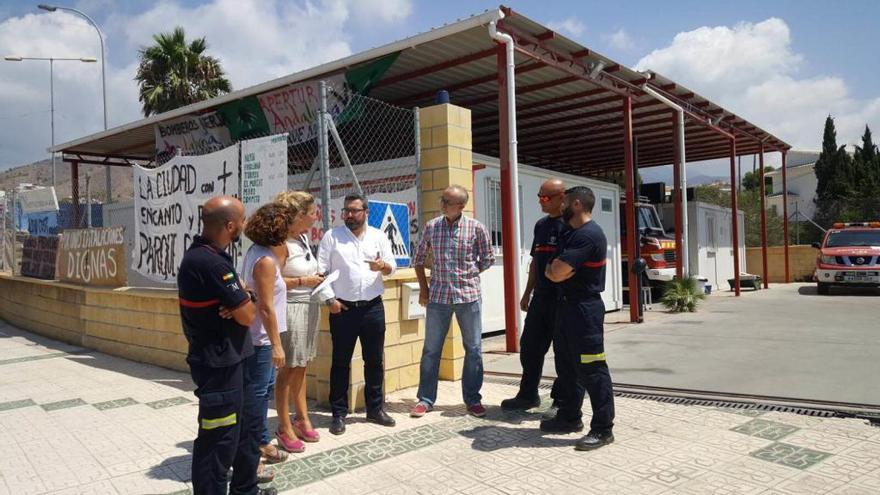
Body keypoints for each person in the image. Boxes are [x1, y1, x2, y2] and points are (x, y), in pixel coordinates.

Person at [177, 195, 277, 495]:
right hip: (218, 366)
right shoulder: (207, 262)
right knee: (218, 441)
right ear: (230, 225)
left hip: (236, 359)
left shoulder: (214, 256)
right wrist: (244, 301)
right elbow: (247, 315)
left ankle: (246, 489)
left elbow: (244, 302)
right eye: (243, 221)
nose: (245, 226)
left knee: (244, 432)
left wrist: (243, 298)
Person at [541, 186, 615, 451]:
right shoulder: (569, 233)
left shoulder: (588, 236)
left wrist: (555, 270)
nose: (559, 206)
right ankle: (570, 418)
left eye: (564, 202)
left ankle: (603, 429)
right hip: (566, 307)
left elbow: (557, 270)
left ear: (576, 205)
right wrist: (555, 270)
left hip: (585, 310)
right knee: (567, 366)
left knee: (593, 369)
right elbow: (553, 269)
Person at [410, 185, 495, 418]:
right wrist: (424, 290)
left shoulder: (476, 228)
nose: (442, 204)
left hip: (468, 297)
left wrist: (467, 273)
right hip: (438, 298)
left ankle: (473, 399)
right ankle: (425, 399)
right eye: (442, 200)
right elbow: (417, 259)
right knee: (431, 349)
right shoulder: (432, 227)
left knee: (474, 349)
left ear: (461, 206)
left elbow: (487, 260)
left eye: (447, 201)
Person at [316, 194, 397, 435]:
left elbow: (392, 267)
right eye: (346, 211)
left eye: (354, 211)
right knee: (340, 362)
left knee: (374, 360)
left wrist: (382, 266)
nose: (349, 215)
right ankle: (338, 414)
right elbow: (321, 272)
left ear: (366, 212)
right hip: (343, 309)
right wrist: (330, 300)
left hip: (373, 307)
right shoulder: (332, 237)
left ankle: (375, 409)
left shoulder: (379, 236)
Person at [241, 203, 301, 461]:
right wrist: (276, 345)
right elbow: (266, 306)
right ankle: (256, 444)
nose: (291, 228)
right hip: (261, 338)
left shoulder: (258, 252)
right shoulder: (265, 260)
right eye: (287, 223)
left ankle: (259, 440)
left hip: (259, 336)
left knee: (261, 390)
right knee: (258, 393)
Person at [501, 179, 566, 417]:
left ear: (562, 197)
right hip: (541, 298)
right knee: (530, 347)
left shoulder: (569, 226)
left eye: (545, 197)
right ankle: (528, 394)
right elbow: (535, 264)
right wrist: (527, 292)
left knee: (563, 352)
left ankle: (562, 400)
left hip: (562, 300)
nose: (540, 201)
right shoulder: (541, 225)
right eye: (539, 196)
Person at [274, 191, 324, 444]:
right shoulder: (280, 242)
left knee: (302, 364)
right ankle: (283, 426)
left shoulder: (303, 238)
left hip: (309, 306)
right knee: (288, 369)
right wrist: (304, 281)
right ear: (299, 216)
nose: (316, 217)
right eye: (312, 212)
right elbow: (269, 281)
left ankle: (301, 417)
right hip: (291, 308)